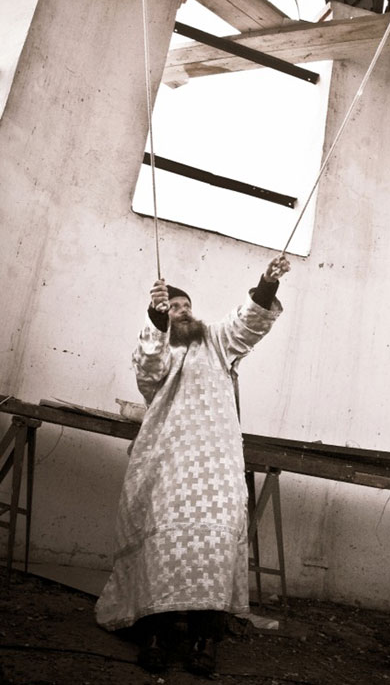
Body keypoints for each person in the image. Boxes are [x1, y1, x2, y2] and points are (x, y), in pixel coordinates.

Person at [95, 253, 290, 676]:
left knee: (216, 544)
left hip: (216, 466)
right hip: (167, 465)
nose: (182, 311)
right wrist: (156, 317)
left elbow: (247, 323)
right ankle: (155, 636)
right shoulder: (159, 348)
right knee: (162, 544)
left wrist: (267, 283)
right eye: (173, 307)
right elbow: (149, 369)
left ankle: (205, 640)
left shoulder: (216, 341)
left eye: (186, 306)